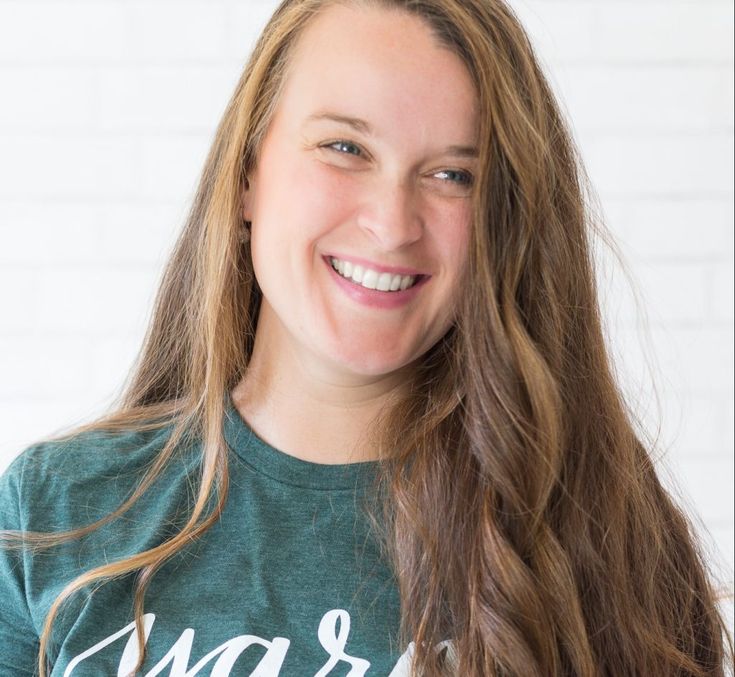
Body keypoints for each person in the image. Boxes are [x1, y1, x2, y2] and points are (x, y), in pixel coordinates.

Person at [0, 0, 731, 675]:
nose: (391, 222)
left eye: (452, 174)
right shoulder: (55, 512)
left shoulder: (594, 522)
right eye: (345, 148)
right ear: (248, 169)